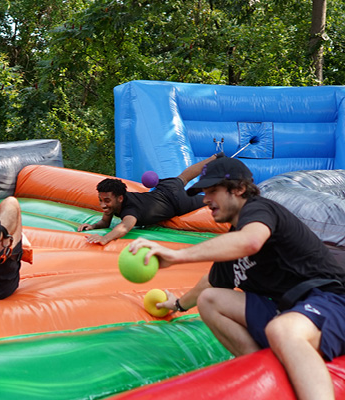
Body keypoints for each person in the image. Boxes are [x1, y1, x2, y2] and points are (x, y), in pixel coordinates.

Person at [129, 157, 345, 400]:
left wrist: (177, 255)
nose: (206, 200)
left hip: (332, 301)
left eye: (212, 191)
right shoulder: (233, 240)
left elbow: (251, 241)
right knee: (211, 300)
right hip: (289, 308)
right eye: (203, 193)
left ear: (239, 189)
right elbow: (209, 284)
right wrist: (177, 305)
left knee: (282, 329)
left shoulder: (259, 209)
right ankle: (265, 375)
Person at [78, 153, 223, 245]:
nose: (103, 205)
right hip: (163, 188)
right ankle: (214, 158)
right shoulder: (113, 203)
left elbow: (124, 227)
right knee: (183, 177)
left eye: (107, 200)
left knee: (209, 201)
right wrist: (93, 227)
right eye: (101, 200)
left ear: (120, 198)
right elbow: (105, 221)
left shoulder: (130, 211)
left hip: (176, 201)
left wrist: (105, 238)